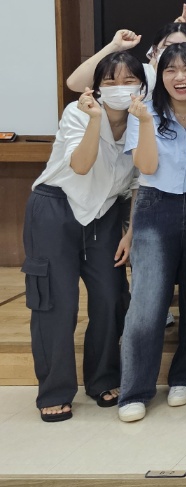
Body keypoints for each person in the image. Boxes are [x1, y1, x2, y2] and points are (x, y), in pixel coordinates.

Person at [24, 51, 144, 422]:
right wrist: (95, 120)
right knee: (55, 303)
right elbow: (80, 164)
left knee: (110, 297)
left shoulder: (144, 121)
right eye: (110, 81)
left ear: (142, 86)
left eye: (129, 80)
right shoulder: (77, 113)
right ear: (98, 88)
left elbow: (141, 183)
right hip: (55, 208)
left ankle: (103, 378)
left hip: (105, 216)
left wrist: (131, 233)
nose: (120, 88)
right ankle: (54, 390)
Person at [116, 41, 186, 422]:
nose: (179, 77)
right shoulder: (145, 112)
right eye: (171, 70)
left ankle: (185, 376)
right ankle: (135, 390)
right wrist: (145, 122)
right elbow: (147, 167)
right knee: (147, 302)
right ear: (160, 75)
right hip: (157, 207)